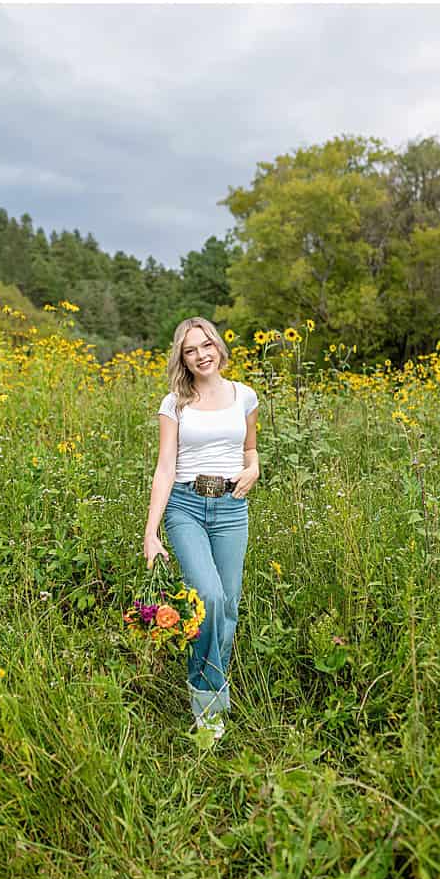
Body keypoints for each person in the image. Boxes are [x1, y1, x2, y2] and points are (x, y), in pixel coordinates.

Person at [142, 316, 259, 740]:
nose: (201, 355)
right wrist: (151, 533)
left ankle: (211, 697)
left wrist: (255, 468)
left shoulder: (244, 396)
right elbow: (165, 467)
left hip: (231, 507)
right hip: (186, 507)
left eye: (206, 345)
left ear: (219, 347)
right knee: (206, 596)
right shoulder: (174, 402)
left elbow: (249, 448)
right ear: (182, 358)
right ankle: (208, 705)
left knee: (228, 607)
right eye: (191, 350)